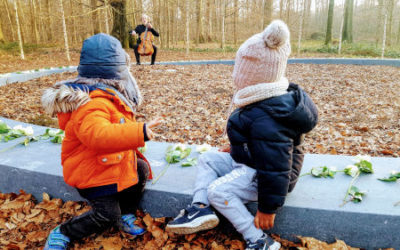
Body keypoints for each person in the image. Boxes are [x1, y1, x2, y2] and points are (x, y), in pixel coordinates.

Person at [166, 20, 318, 250]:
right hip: (256, 162)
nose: (236, 74)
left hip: (270, 178)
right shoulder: (262, 98)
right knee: (208, 158)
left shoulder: (267, 115)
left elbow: (276, 167)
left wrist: (268, 207)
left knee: (217, 190)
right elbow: (258, 143)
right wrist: (240, 147)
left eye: (240, 68)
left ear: (251, 74)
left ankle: (258, 239)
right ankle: (200, 208)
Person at [41, 33, 162, 250]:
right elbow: (98, 136)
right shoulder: (92, 104)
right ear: (117, 74)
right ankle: (64, 231)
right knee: (105, 215)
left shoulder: (109, 96)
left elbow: (114, 127)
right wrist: (138, 132)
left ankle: (124, 214)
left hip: (109, 164)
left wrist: (135, 132)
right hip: (92, 174)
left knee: (140, 170)